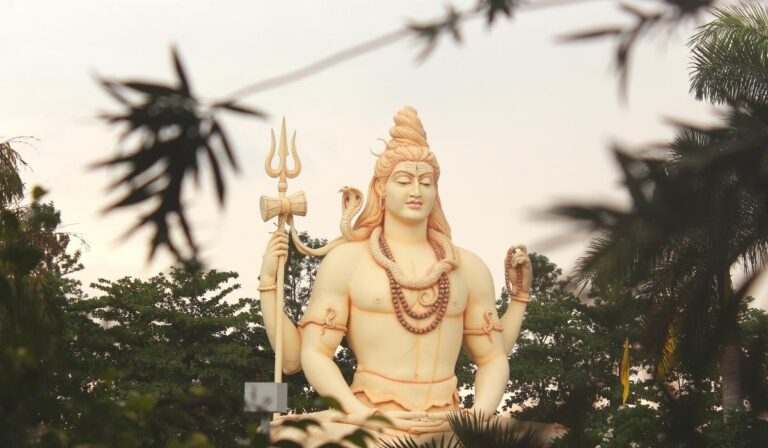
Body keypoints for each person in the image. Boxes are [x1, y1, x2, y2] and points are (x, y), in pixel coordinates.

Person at [258, 106, 533, 444]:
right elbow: (309, 354)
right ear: (381, 188)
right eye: (404, 181)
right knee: (287, 437)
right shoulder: (347, 261)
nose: (416, 191)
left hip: (448, 421)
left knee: (549, 437)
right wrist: (359, 413)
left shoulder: (468, 267)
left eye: (426, 182)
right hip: (369, 419)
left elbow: (492, 356)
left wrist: (477, 417)